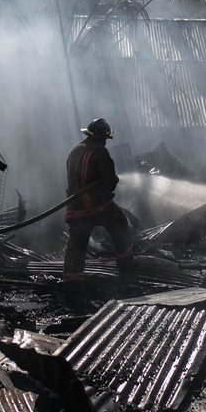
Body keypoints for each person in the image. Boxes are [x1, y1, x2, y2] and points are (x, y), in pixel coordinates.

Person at [63, 118, 134, 290]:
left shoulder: (74, 151)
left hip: (75, 207)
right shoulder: (100, 152)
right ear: (101, 137)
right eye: (105, 139)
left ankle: (73, 284)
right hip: (98, 206)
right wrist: (113, 180)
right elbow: (109, 182)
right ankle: (126, 267)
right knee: (120, 225)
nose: (105, 142)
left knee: (77, 244)